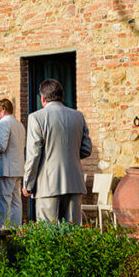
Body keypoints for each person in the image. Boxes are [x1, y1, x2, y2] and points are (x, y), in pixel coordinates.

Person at [23, 79, 92, 224]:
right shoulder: (78, 116)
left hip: (47, 183)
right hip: (74, 181)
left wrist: (27, 184)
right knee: (73, 235)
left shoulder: (36, 118)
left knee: (49, 235)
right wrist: (69, 154)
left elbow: (34, 155)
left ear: (42, 98)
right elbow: (86, 149)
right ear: (62, 96)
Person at [0, 98, 26, 227]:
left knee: (3, 202)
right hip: (17, 168)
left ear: (3, 110)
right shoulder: (19, 124)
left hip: (5, 169)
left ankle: (3, 229)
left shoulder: (4, 124)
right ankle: (16, 230)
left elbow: (1, 146)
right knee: (16, 202)